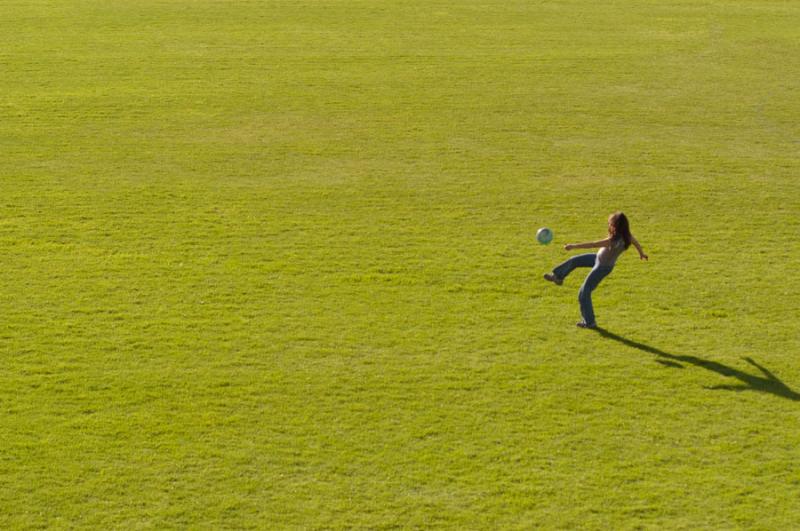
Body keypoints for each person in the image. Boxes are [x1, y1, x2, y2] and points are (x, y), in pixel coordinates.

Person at [544, 212, 648, 329]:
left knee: (584, 292)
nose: (609, 224)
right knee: (575, 261)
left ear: (616, 226)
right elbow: (636, 243)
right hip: (598, 259)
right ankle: (558, 276)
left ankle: (590, 322)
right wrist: (642, 254)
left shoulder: (612, 241)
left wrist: (573, 246)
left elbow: (592, 244)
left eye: (610, 223)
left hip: (602, 267)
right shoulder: (627, 236)